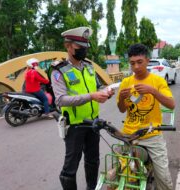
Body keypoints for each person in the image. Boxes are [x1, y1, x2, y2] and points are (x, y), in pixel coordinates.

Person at [50, 26, 114, 190]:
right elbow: (61, 100)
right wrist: (91, 96)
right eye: (80, 48)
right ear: (68, 46)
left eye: (86, 47)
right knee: (70, 167)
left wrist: (105, 93)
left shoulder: (89, 67)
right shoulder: (60, 70)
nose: (84, 51)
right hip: (75, 126)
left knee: (93, 160)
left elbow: (97, 88)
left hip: (93, 123)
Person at [117, 43, 175, 190]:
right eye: (132, 63)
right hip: (129, 136)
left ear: (147, 60)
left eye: (139, 62)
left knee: (163, 176)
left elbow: (171, 105)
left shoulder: (158, 81)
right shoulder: (126, 82)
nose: (136, 67)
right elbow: (121, 110)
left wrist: (153, 91)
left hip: (152, 135)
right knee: (124, 174)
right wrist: (123, 99)